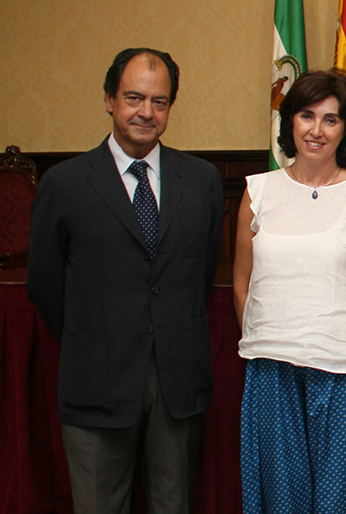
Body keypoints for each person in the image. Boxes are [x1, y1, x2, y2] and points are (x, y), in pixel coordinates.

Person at [28, 48, 223, 514]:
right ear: (109, 100)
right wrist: (93, 335)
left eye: (159, 102)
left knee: (173, 505)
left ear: (171, 107)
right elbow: (45, 284)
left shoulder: (202, 181)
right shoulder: (64, 183)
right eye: (134, 97)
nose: (146, 112)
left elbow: (199, 276)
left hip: (177, 380)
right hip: (96, 377)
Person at [233, 69, 346, 513]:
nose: (316, 130)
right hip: (271, 369)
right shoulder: (257, 192)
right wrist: (267, 337)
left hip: (343, 372)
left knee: (336, 500)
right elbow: (242, 283)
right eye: (306, 115)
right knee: (281, 500)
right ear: (290, 122)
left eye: (331, 119)